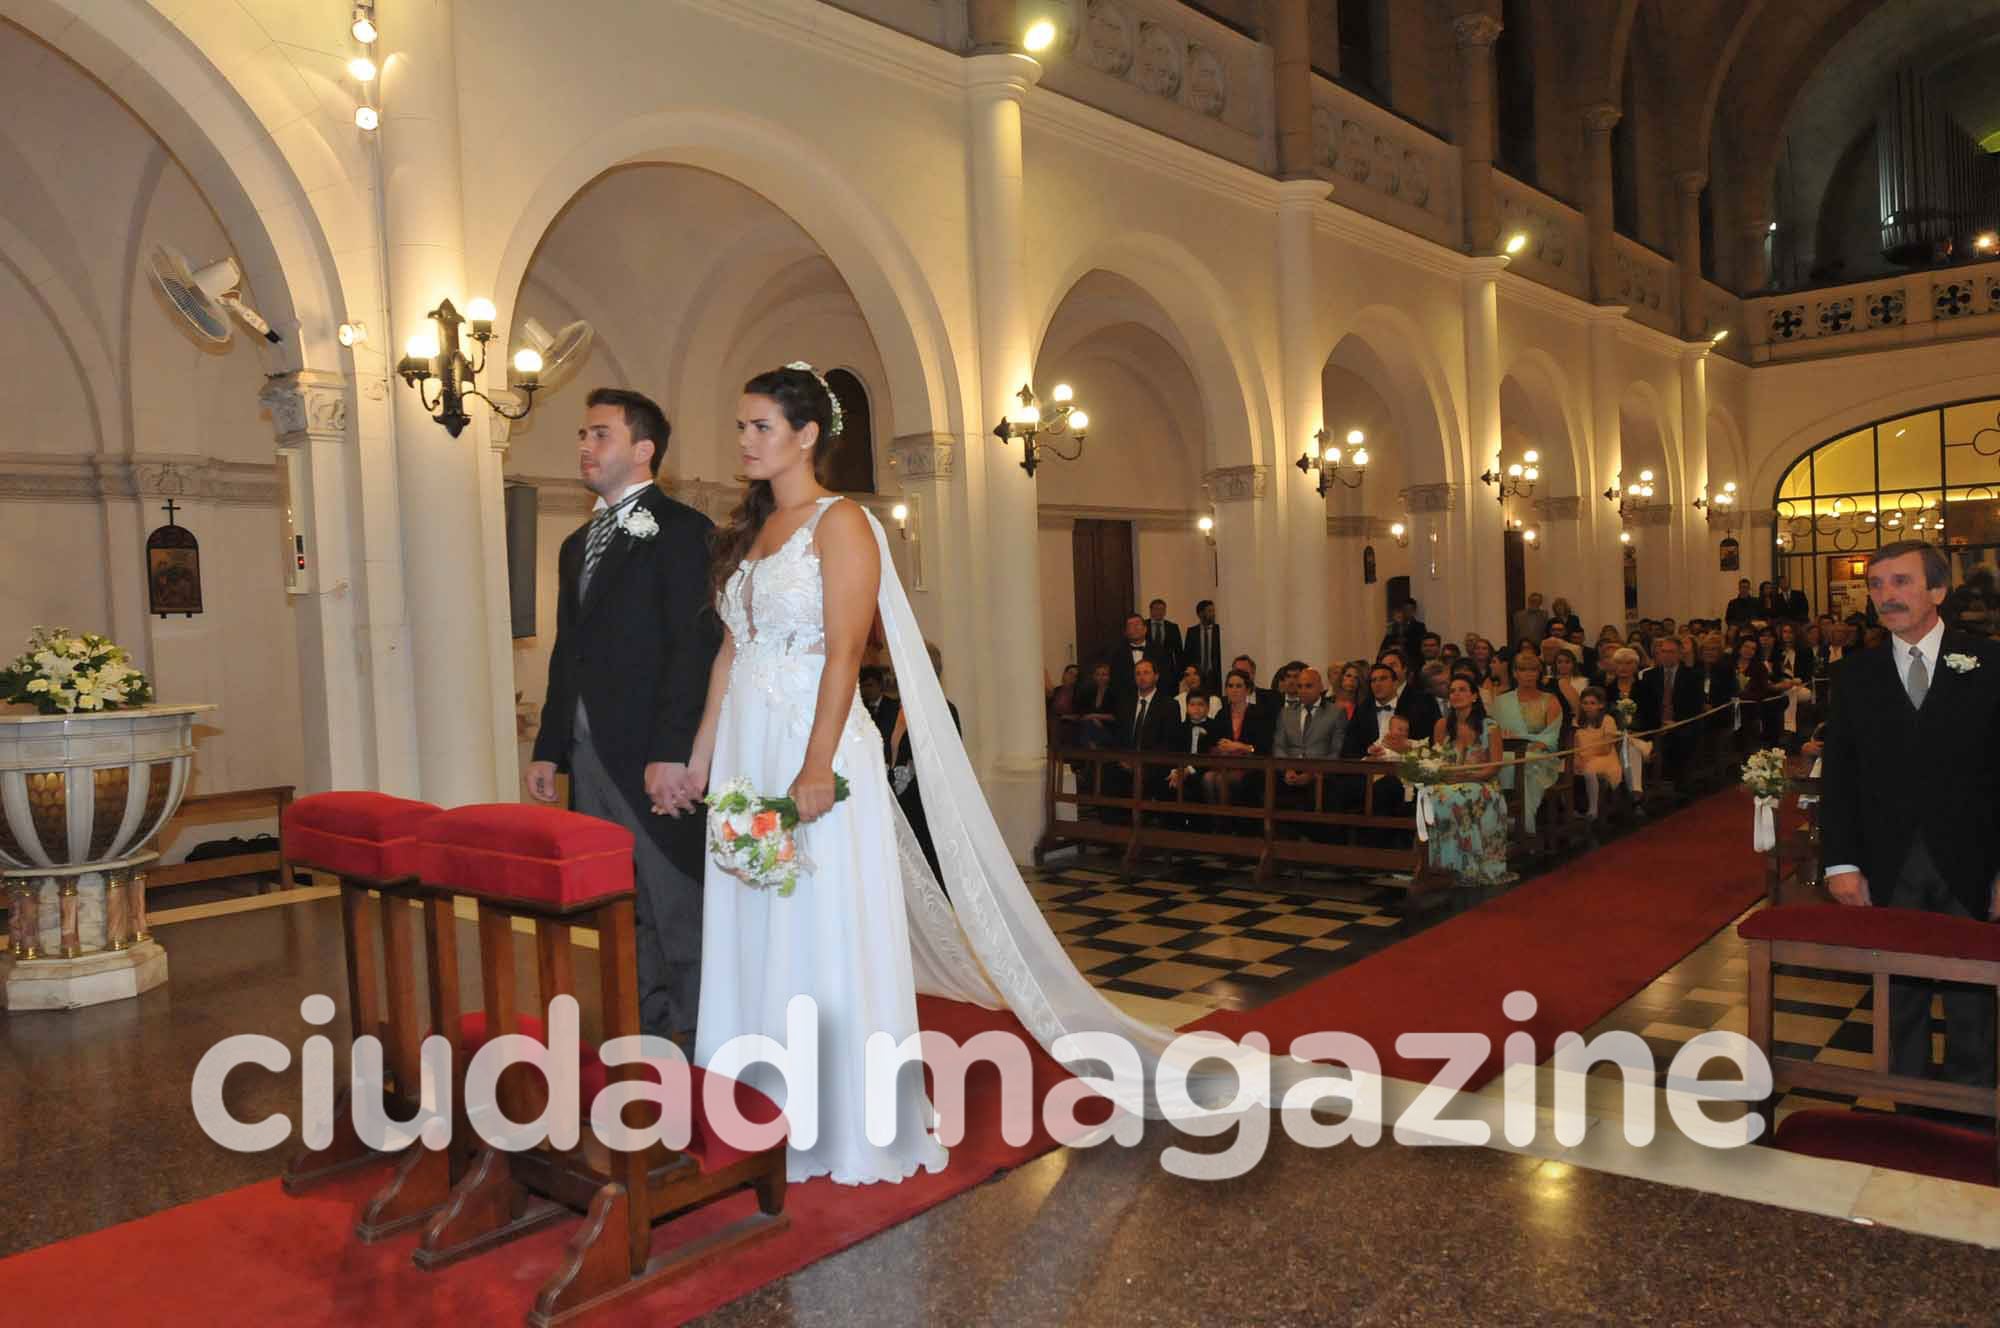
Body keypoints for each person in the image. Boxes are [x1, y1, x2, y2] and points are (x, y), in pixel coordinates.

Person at [528, 387, 719, 1043]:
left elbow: (693, 647)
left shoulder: (682, 530)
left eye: (600, 434)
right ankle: (642, 1027)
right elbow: (568, 652)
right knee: (619, 907)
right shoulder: (577, 542)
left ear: (643, 450)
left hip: (650, 752)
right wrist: (549, 746)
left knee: (676, 904)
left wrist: (673, 749)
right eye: (582, 434)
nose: (585, 446)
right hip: (589, 754)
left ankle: (704, 1039)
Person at [1822, 541, 2000, 1088]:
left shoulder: (1990, 663)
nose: (1885, 596)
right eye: (1877, 585)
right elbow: (1841, 776)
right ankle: (1909, 1109)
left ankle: (1971, 1120)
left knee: (1973, 1001)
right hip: (1887, 859)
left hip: (1973, 860)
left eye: (1901, 582)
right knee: (1899, 997)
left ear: (1938, 590)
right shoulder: (1856, 674)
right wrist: (1840, 864)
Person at [1424, 678, 1509, 887]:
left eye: (1462, 690)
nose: (1456, 694)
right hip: (1449, 781)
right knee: (1432, 795)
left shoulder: (1490, 726)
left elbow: (1494, 766)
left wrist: (1469, 777)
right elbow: (1436, 760)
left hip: (1482, 784)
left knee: (1457, 795)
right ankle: (1440, 865)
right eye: (1452, 690)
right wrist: (1442, 776)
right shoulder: (1442, 725)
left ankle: (1467, 867)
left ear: (1474, 696)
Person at [888, 643, 961, 882]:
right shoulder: (894, 710)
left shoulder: (944, 710)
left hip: (925, 806)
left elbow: (944, 765)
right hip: (897, 802)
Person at [1493, 650, 1563, 832]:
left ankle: (1524, 825)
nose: (1528, 674)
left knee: (1526, 767)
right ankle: (1502, 819)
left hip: (1542, 757)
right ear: (1515, 673)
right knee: (1499, 764)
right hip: (1505, 754)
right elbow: (1493, 733)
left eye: (1533, 670)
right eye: (1523, 670)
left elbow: (1551, 737)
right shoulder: (1500, 701)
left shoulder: (1550, 700)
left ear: (1539, 673)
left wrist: (1526, 741)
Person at [1203, 668, 1275, 806]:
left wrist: (1240, 746)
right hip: (1225, 764)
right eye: (1230, 686)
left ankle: (1228, 823)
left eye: (1238, 686)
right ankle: (1215, 822)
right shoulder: (1222, 713)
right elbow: (1211, 741)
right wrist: (1221, 746)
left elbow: (1264, 747)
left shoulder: (1259, 713)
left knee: (1220, 780)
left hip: (1251, 766)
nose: (1234, 690)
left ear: (1247, 690)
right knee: (1208, 778)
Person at [857, 664, 899, 760]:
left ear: (880, 685)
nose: (866, 690)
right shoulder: (860, 707)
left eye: (870, 685)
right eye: (863, 686)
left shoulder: (894, 707)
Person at [1185, 599, 1224, 693]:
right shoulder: (1192, 632)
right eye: (1210, 611)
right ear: (1200, 614)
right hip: (1197, 677)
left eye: (1213, 611)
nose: (1213, 614)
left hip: (1215, 676)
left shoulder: (1219, 630)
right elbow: (1187, 655)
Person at [1143, 597, 1183, 675]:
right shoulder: (1143, 625)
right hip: (1147, 665)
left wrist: (1179, 670)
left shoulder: (1173, 627)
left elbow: (1178, 651)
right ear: (1150, 611)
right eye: (1156, 609)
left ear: (1165, 611)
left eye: (1162, 609)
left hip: (1168, 668)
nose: (1159, 612)